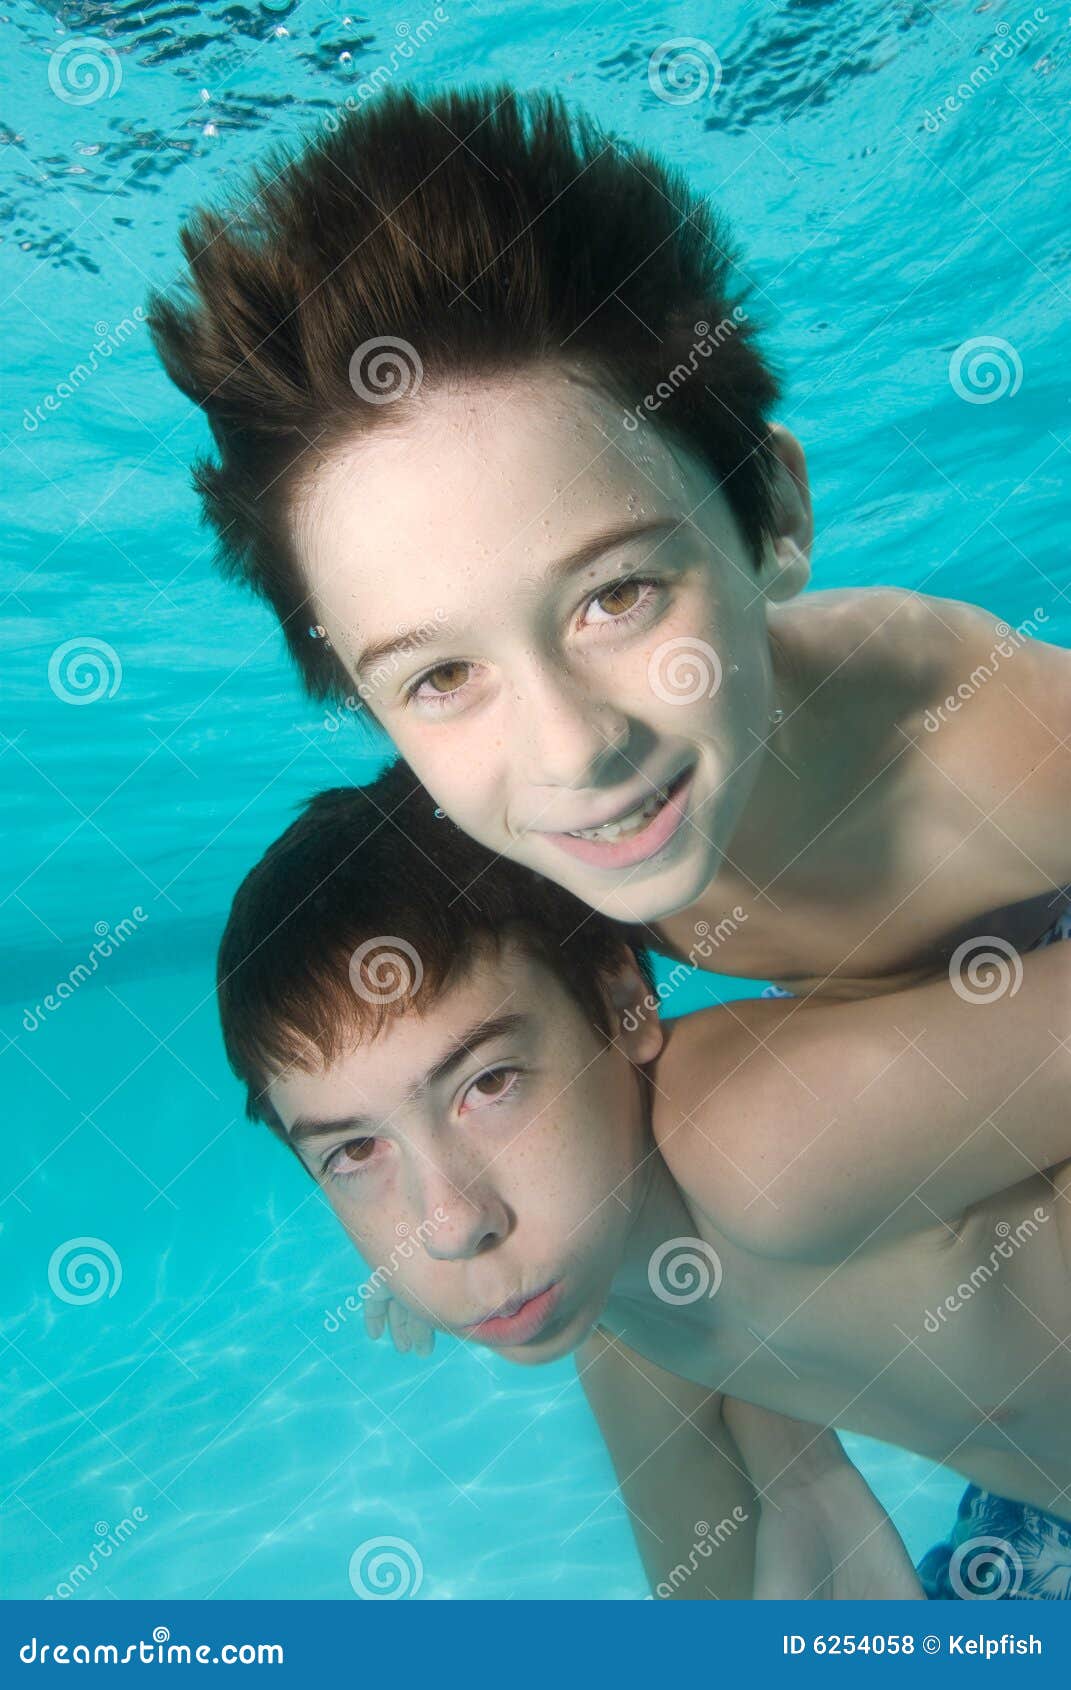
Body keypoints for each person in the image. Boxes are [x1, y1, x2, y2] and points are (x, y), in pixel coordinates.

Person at [145, 80, 1071, 1007]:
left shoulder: (991, 746)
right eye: (439, 679)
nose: (571, 752)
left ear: (776, 515)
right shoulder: (502, 866)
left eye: (616, 595)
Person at [216, 761, 1071, 1601]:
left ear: (619, 996)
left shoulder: (775, 1143)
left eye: (488, 1085)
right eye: (357, 1152)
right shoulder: (614, 1310)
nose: (447, 1226)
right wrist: (801, 1479)